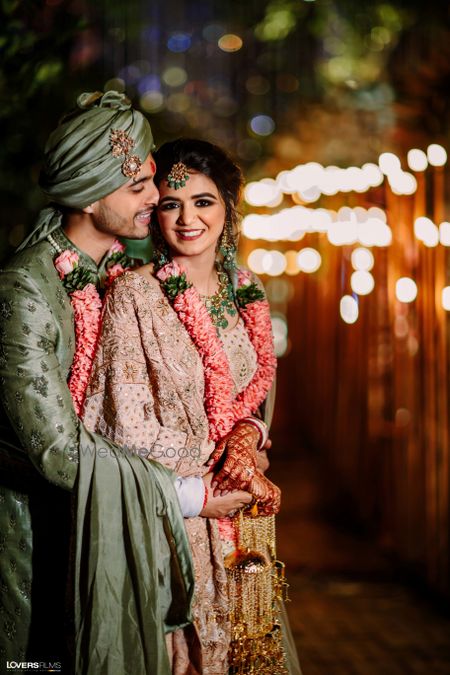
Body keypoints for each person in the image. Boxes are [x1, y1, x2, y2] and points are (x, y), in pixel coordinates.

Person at [0, 93, 250, 674]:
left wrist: (246, 434)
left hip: (116, 551)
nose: (154, 198)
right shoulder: (24, 289)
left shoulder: (119, 273)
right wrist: (195, 496)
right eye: (139, 185)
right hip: (37, 550)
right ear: (90, 194)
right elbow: (60, 453)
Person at [82, 138, 301, 674]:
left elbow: (251, 397)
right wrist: (221, 469)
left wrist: (246, 439)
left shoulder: (244, 291)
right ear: (154, 214)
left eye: (203, 202)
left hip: (238, 519)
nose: (187, 219)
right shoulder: (135, 295)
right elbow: (120, 424)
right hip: (169, 513)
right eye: (171, 204)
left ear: (228, 208)